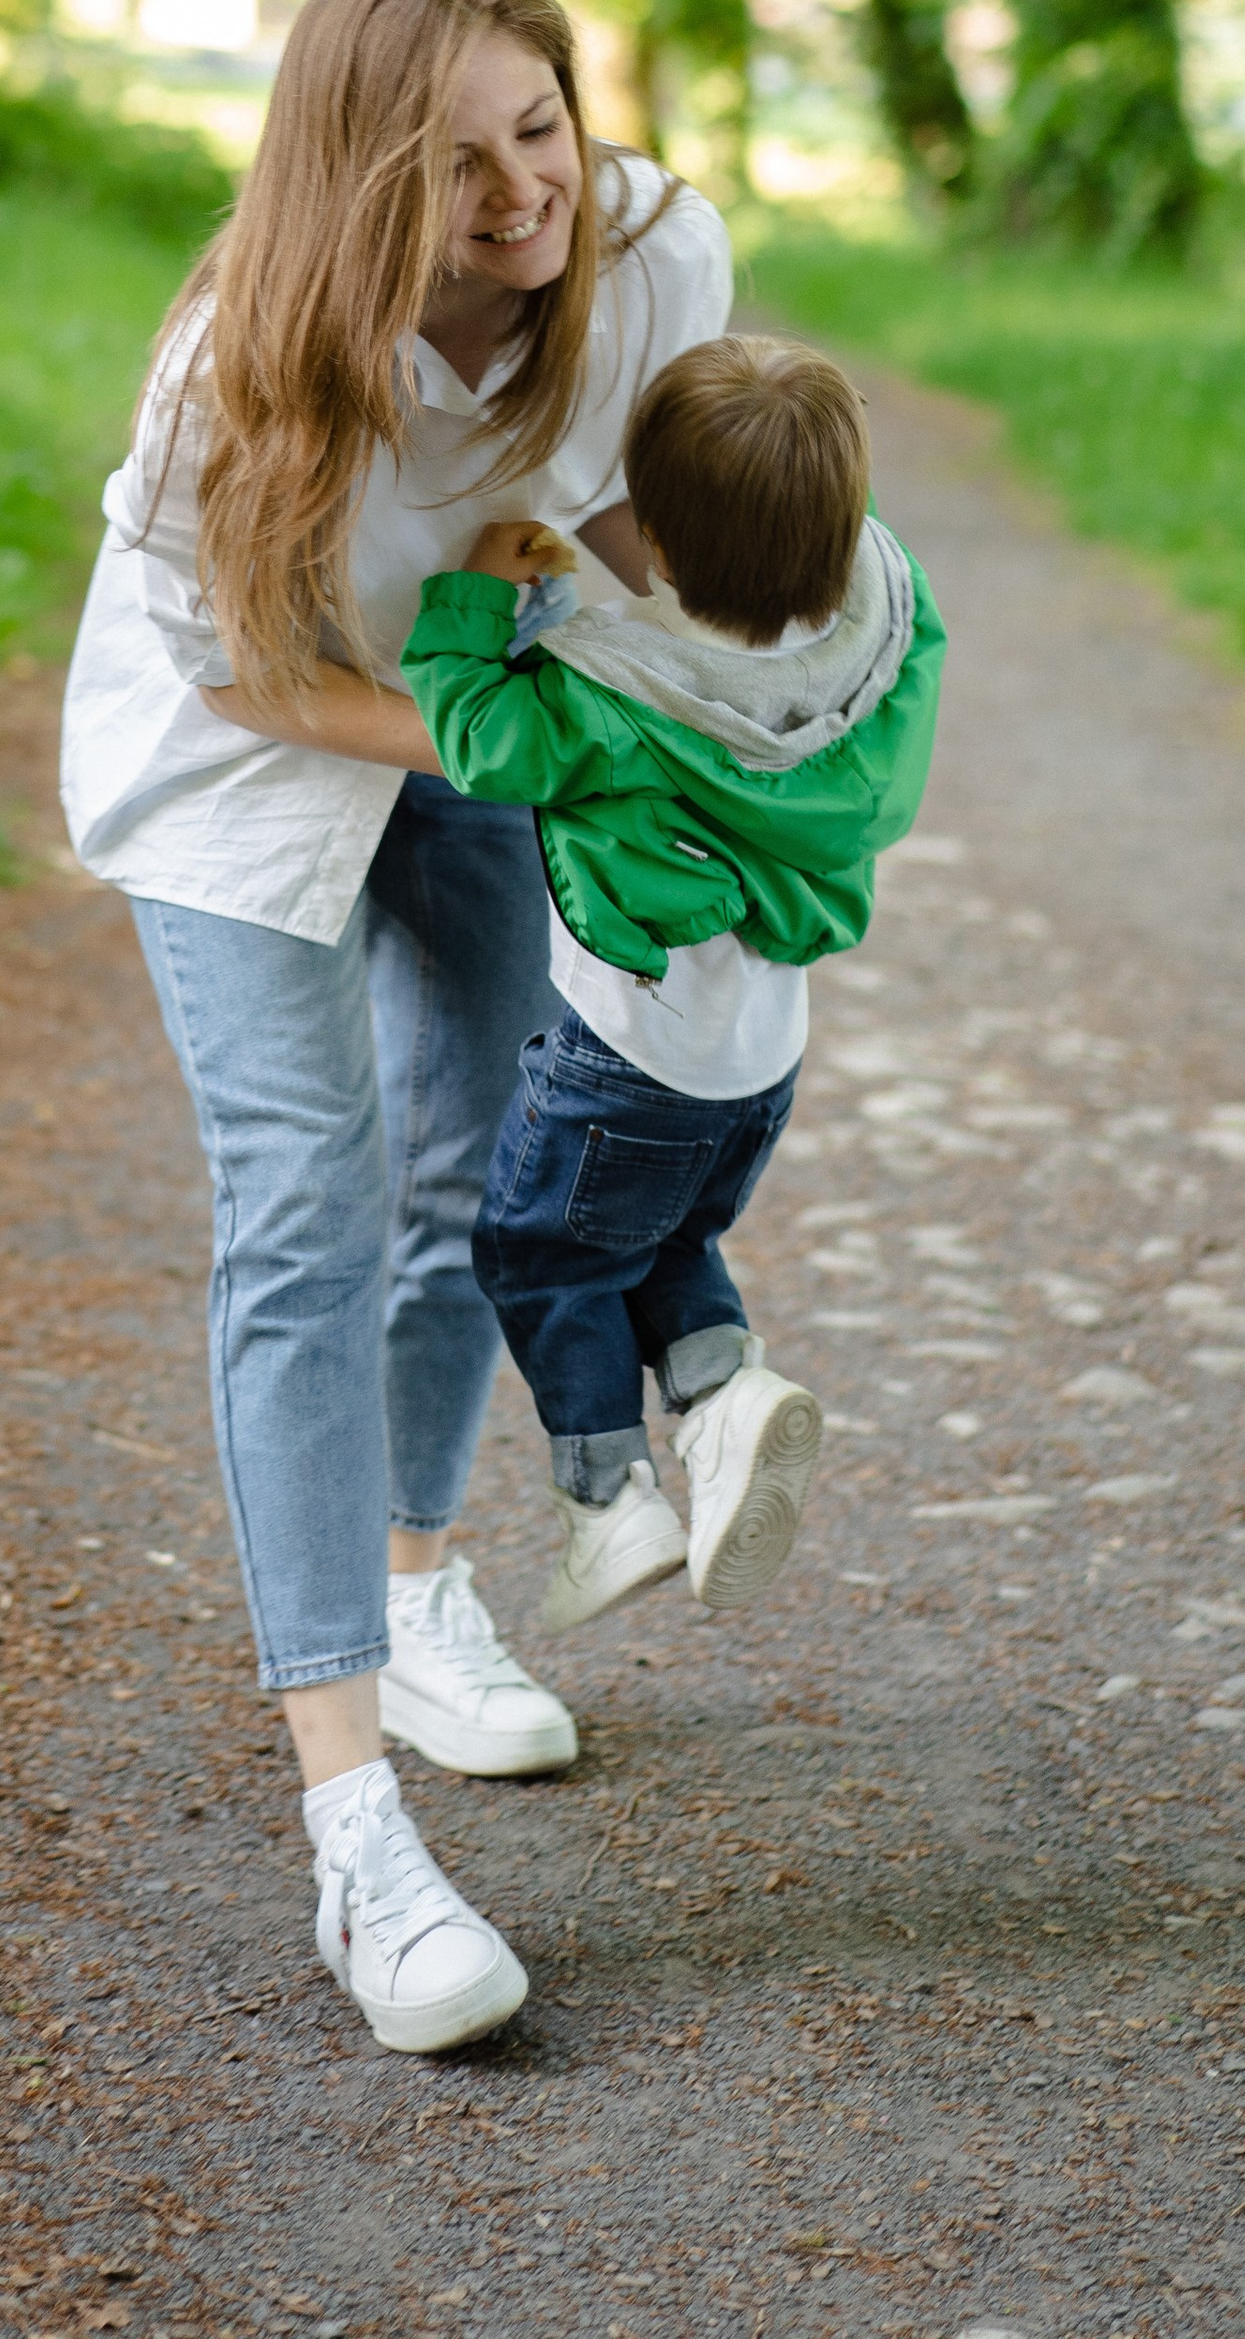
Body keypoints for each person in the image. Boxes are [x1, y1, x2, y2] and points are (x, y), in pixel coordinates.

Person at [60, 0, 733, 2055]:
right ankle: (351, 1830)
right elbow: (245, 673)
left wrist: (738, 710)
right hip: (250, 768)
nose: (520, 190)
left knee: (474, 1167)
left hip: (468, 692)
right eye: (453, 167)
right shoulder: (232, 374)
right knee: (304, 1215)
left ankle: (421, 1580)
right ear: (357, 186)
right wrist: (496, 755)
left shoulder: (645, 253)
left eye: (537, 125)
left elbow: (624, 504)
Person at [398, 336, 945, 1643]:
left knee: (536, 1252)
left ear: (654, 535)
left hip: (625, 1054)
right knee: (660, 1238)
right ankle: (721, 1397)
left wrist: (473, 597)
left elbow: (475, 734)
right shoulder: (883, 633)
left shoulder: (615, 690)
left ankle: (608, 1498)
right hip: (758, 1063)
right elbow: (859, 553)